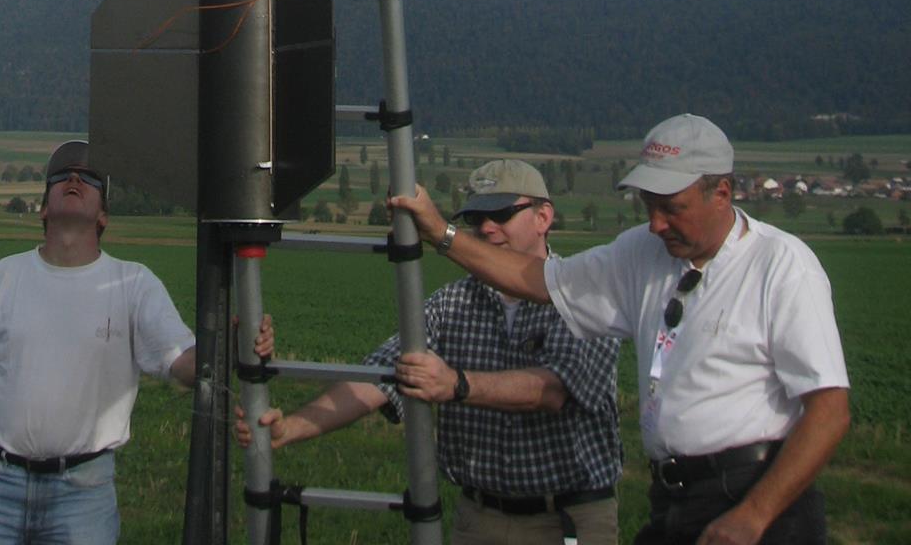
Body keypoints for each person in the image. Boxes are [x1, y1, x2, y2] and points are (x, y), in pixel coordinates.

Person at [392, 116, 851, 545]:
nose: (656, 223)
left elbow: (829, 412)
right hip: (672, 498)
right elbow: (537, 281)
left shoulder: (781, 266)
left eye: (672, 208)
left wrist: (754, 514)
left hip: (757, 499)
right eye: (649, 205)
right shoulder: (640, 253)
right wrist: (441, 233)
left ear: (722, 193)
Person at [238, 158, 622, 544]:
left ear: (543, 217)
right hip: (480, 519)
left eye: (502, 214)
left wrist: (456, 385)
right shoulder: (451, 303)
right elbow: (380, 377)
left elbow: (553, 389)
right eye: (476, 218)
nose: (487, 228)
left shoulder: (582, 294)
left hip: (568, 518)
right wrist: (291, 429)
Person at [0, 140, 197, 545]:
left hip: (82, 496)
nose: (74, 180)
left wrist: (228, 343)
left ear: (104, 215)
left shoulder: (134, 284)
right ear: (44, 208)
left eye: (89, 178)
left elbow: (183, 363)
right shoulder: (3, 277)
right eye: (62, 176)